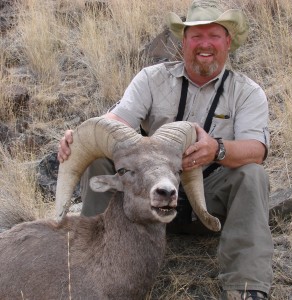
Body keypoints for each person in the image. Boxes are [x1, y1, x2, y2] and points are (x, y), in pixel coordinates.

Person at [58, 0, 273, 299]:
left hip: (207, 203)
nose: (205, 44)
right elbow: (117, 121)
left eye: (214, 35)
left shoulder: (247, 92)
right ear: (184, 42)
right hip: (146, 196)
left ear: (228, 42)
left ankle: (246, 287)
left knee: (252, 175)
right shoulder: (151, 78)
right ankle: (85, 262)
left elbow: (257, 149)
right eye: (196, 36)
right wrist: (80, 135)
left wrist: (217, 149)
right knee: (100, 161)